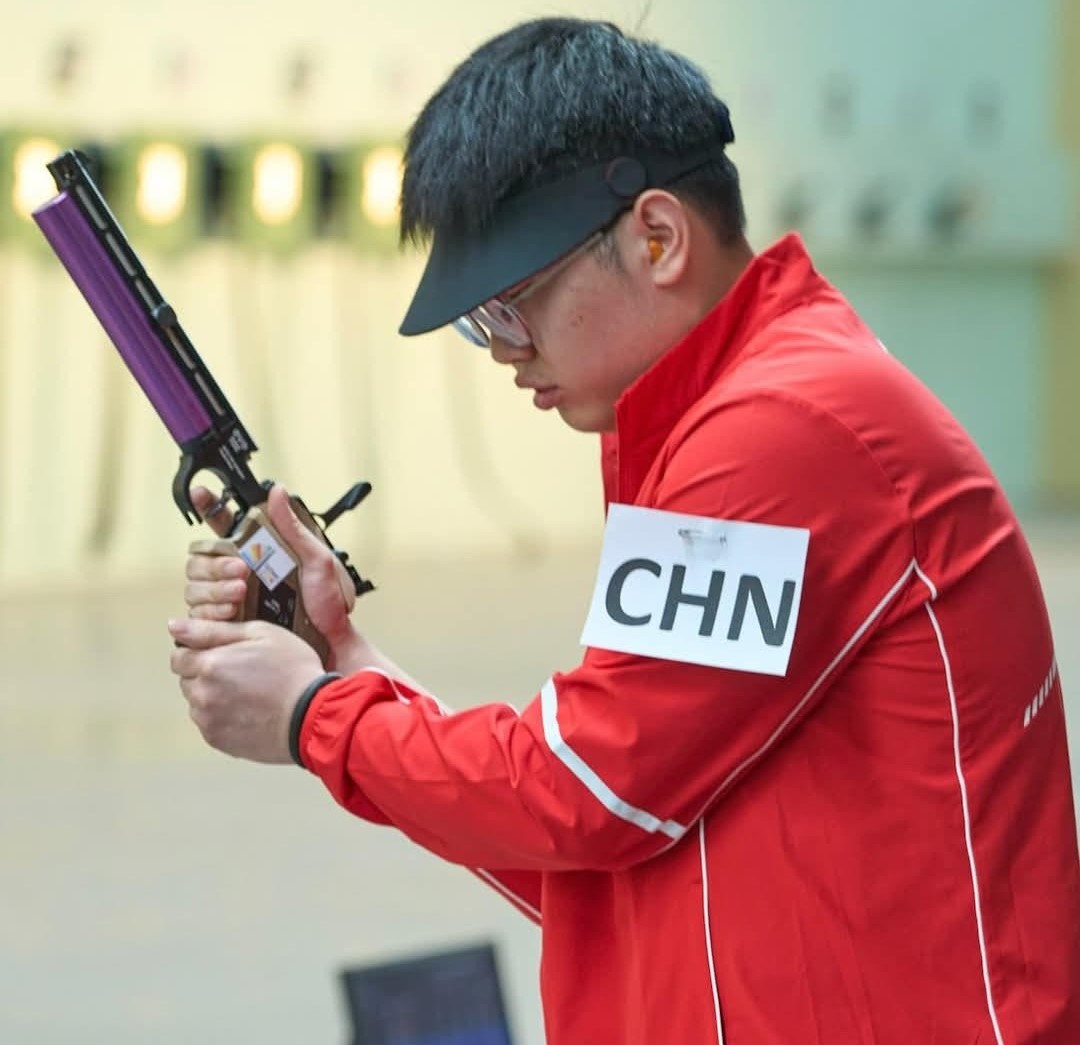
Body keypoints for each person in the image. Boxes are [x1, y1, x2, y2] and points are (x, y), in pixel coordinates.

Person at [168, 17, 1080, 1044]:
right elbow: (600, 836)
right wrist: (340, 662)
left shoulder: (787, 427)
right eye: (482, 325)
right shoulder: (727, 422)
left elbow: (582, 795)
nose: (505, 352)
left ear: (657, 238)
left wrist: (314, 718)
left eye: (513, 306)